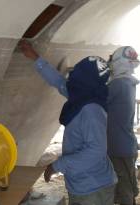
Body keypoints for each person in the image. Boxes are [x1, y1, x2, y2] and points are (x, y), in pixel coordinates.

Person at [19, 40, 117, 205]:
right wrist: (35, 58)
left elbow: (96, 151)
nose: (73, 77)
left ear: (85, 79)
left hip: (92, 189)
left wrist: (57, 165)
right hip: (86, 183)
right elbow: (59, 82)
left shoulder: (91, 110)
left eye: (78, 74)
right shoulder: (83, 95)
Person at [107, 46, 140, 205]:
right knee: (128, 184)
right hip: (127, 144)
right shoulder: (128, 82)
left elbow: (96, 98)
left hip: (117, 147)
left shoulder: (117, 84)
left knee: (123, 188)